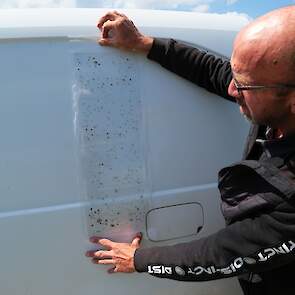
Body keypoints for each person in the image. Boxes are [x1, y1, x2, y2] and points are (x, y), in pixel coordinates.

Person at [85, 6, 295, 295]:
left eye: (244, 85)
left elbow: (225, 254)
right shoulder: (271, 97)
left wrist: (139, 259)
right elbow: (214, 71)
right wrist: (144, 44)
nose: (232, 90)